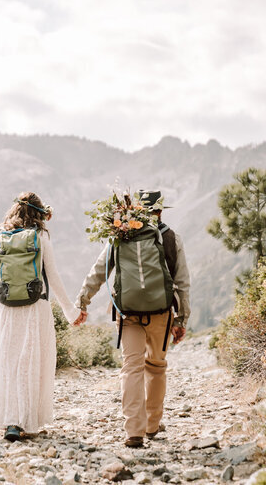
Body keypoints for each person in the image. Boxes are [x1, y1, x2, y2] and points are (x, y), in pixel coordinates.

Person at [73, 189, 190, 448]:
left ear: (135, 210)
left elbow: (98, 272)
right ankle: (151, 424)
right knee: (156, 367)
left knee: (131, 368)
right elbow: (182, 281)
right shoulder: (170, 237)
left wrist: (82, 301)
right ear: (159, 211)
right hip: (161, 312)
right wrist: (181, 319)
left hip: (128, 315)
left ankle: (133, 431)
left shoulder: (119, 235)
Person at [0, 192, 83, 442]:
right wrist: (70, 311)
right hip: (34, 309)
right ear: (40, 214)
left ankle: (10, 421)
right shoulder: (40, 237)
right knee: (29, 365)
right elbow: (53, 276)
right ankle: (22, 421)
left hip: (5, 310)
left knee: (8, 366)